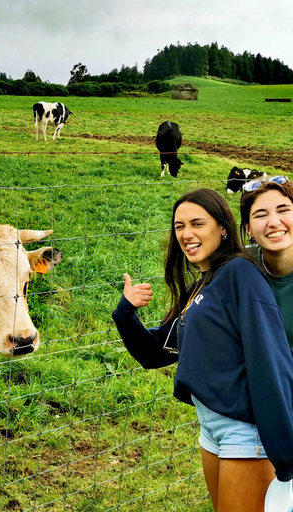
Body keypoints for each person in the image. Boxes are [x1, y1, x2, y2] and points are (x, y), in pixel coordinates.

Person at [112, 188, 293, 511]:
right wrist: (124, 314)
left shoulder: (240, 274)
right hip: (211, 428)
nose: (186, 234)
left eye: (197, 223)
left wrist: (285, 459)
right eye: (179, 226)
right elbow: (157, 353)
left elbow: (269, 363)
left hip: (246, 433)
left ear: (223, 228)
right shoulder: (207, 283)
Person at [240, 175, 293, 351]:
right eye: (261, 215)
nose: (274, 222)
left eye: (283, 210)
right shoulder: (238, 267)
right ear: (249, 229)